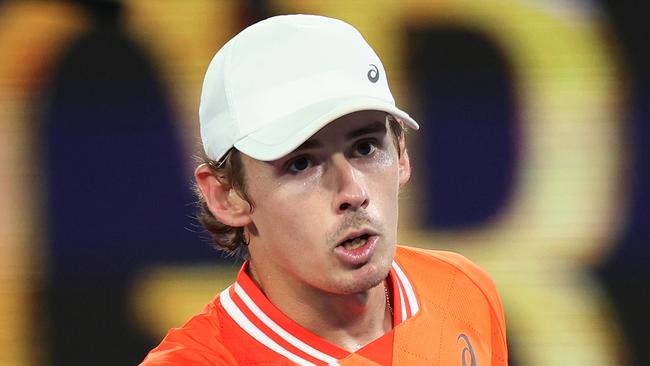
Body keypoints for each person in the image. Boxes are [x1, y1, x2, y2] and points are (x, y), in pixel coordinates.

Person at [141, 14, 508, 366]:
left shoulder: (463, 290)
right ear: (227, 195)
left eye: (365, 147)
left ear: (401, 152)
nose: (353, 191)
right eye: (301, 163)